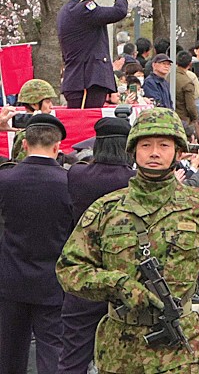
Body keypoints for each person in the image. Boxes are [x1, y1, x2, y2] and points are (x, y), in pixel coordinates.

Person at [56, 108, 199, 373]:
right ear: (133, 151)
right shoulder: (107, 209)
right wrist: (118, 285)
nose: (154, 152)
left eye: (164, 145)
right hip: (121, 347)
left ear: (178, 153)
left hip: (177, 348)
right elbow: (69, 269)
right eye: (146, 145)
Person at [57, 115, 135, 374]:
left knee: (73, 356)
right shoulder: (134, 181)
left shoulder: (78, 175)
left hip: (84, 273)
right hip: (125, 277)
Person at [0, 114, 74, 374]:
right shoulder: (69, 183)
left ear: (25, 145)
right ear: (57, 147)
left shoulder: (6, 180)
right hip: (54, 281)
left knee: (9, 355)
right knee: (53, 353)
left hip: (10, 279)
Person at [57, 0, 130, 109]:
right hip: (86, 80)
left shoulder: (68, 9)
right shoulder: (84, 9)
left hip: (82, 78)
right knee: (85, 127)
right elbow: (119, 11)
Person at [174, 52, 199, 132]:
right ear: (190, 64)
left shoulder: (169, 76)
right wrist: (196, 118)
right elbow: (190, 106)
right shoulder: (187, 82)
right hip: (184, 119)